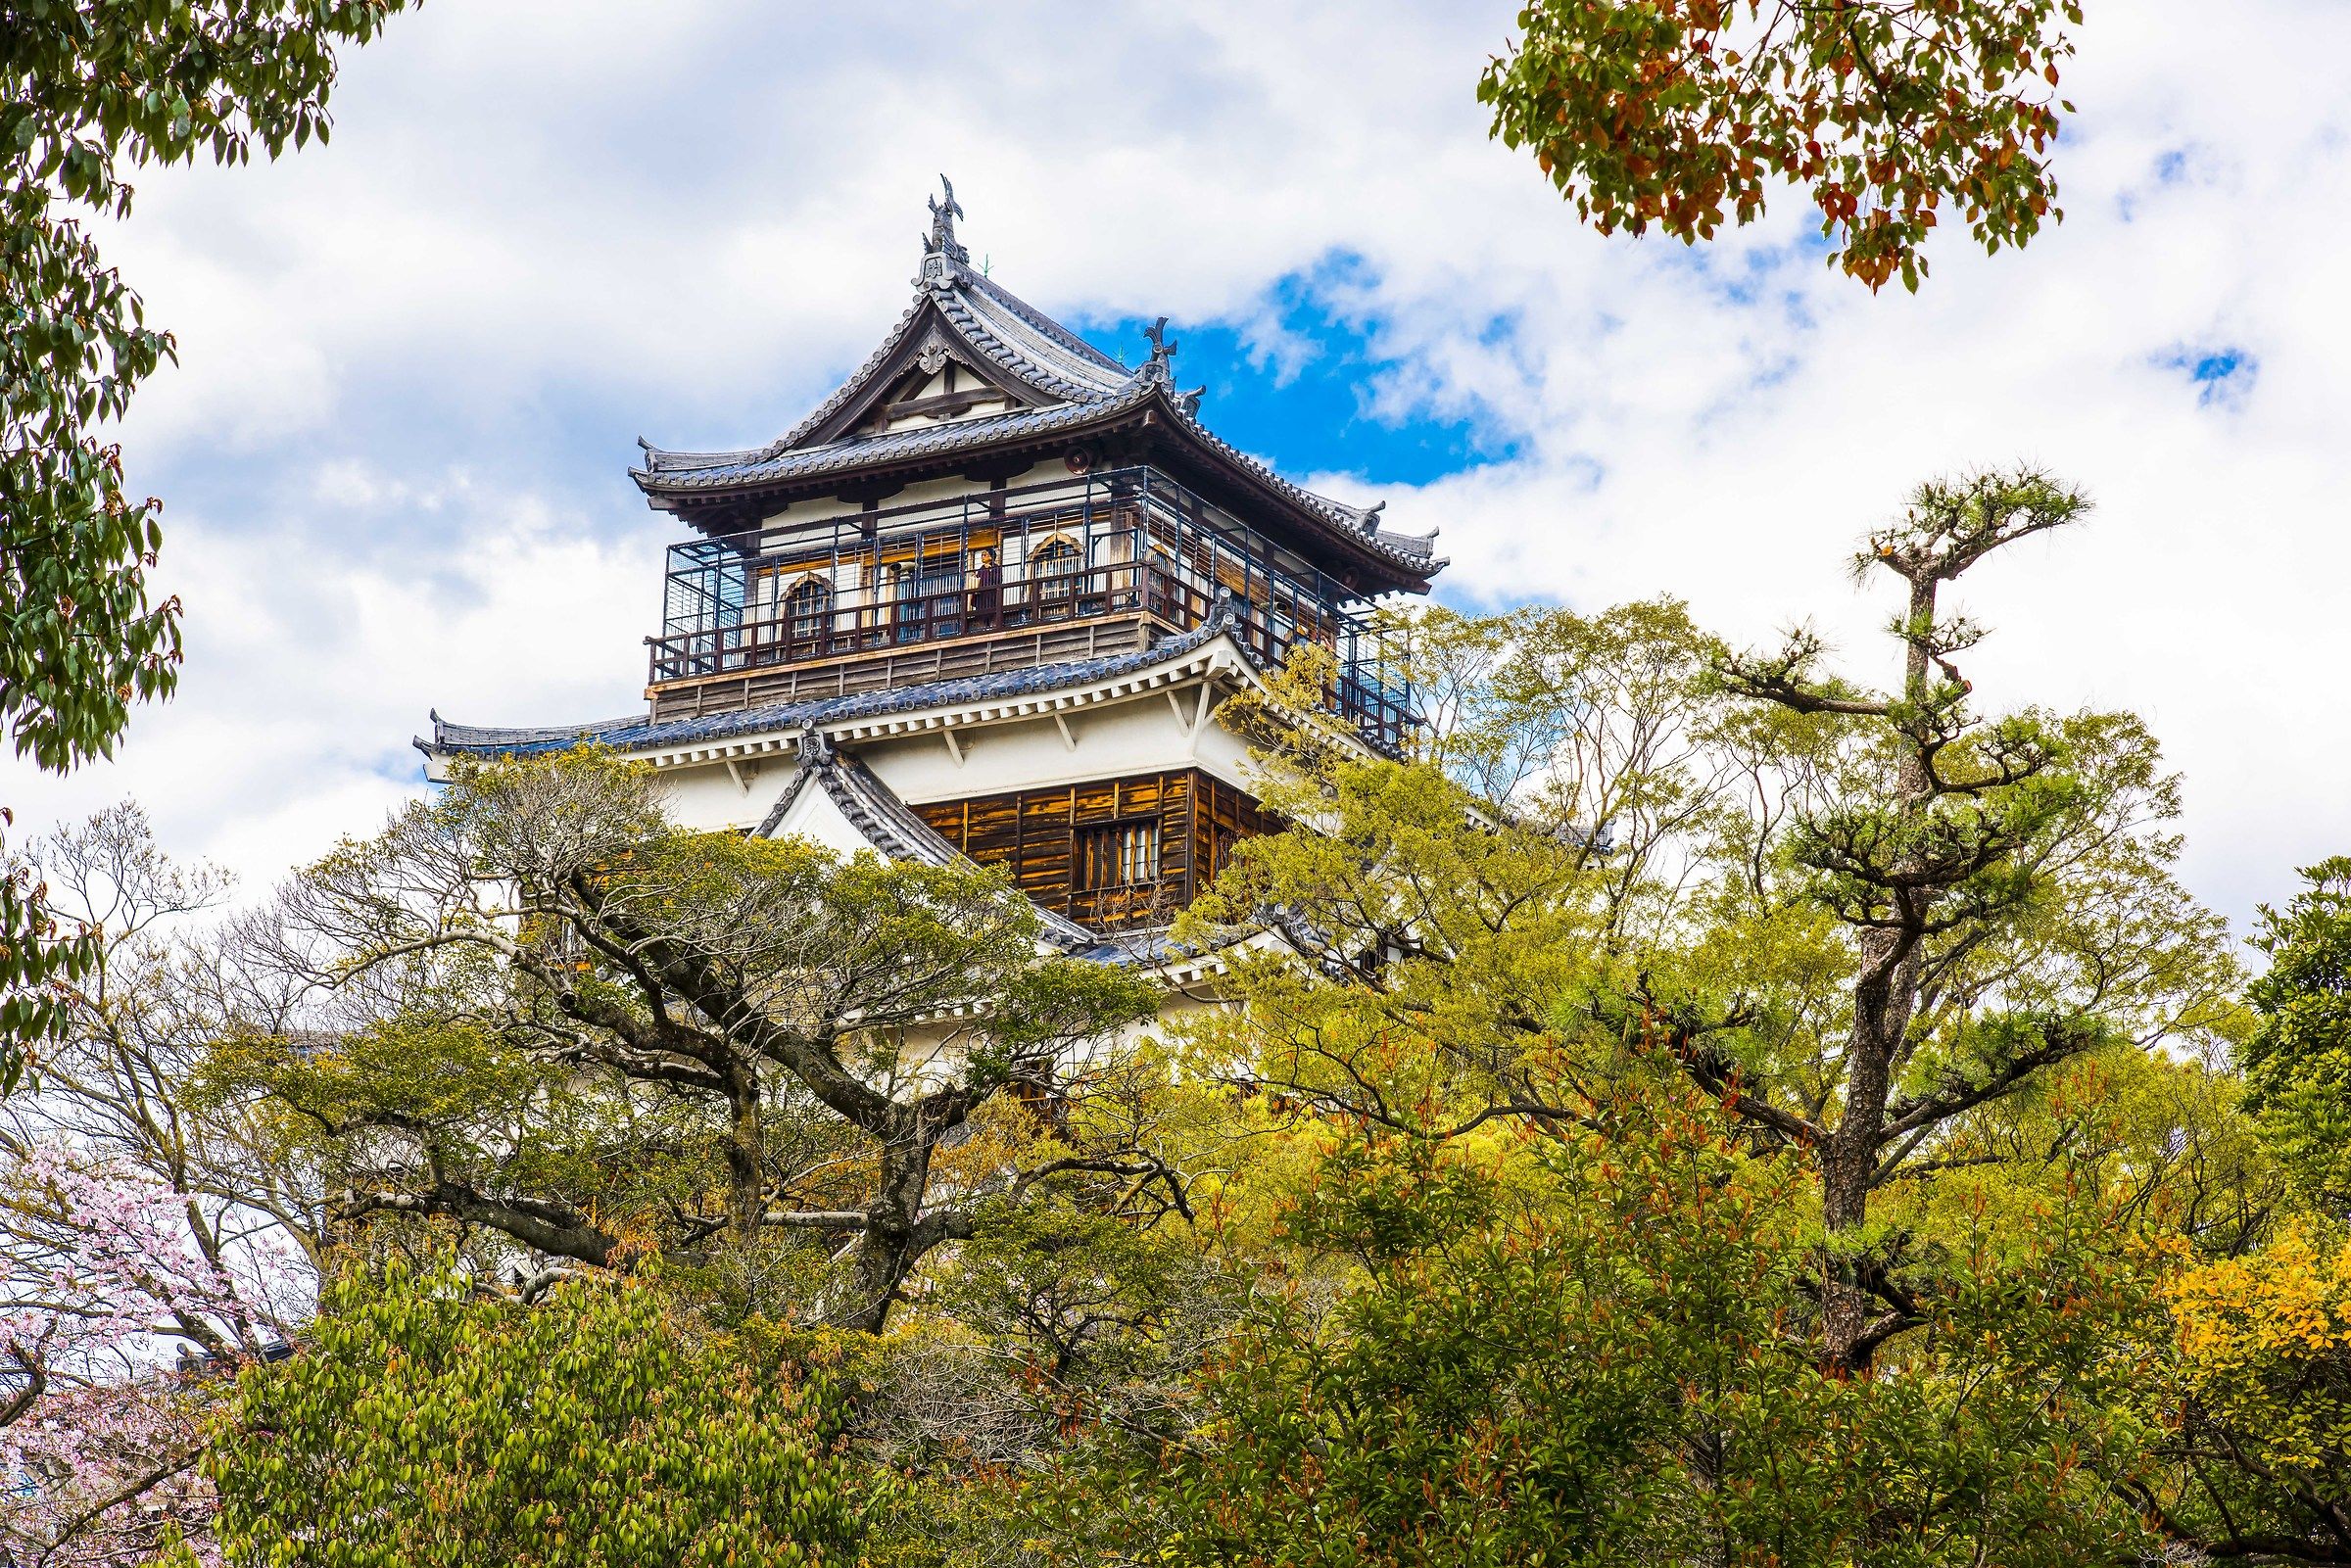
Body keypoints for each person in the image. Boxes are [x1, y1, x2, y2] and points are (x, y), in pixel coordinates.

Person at [968, 546, 1002, 631]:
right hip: (981, 596)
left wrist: (990, 571)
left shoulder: (996, 567)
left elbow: (998, 580)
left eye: (985, 555)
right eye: (982, 555)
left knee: (992, 612)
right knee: (981, 614)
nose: (982, 557)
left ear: (991, 556)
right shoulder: (981, 569)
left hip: (991, 594)